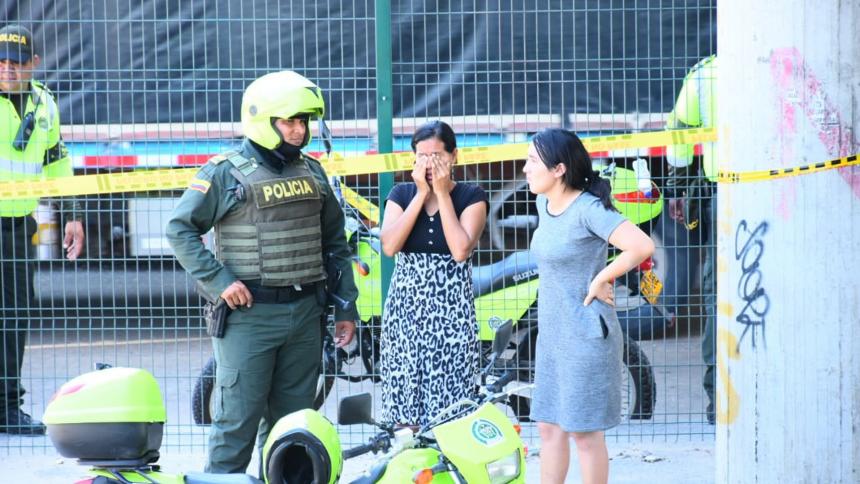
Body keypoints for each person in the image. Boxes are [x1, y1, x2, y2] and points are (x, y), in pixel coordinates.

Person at [165, 70, 358, 474]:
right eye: (289, 120)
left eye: (304, 120)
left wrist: (345, 309)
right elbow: (180, 229)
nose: (299, 129)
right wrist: (219, 282)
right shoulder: (225, 172)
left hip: (305, 315)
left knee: (294, 432)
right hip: (250, 319)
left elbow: (335, 246)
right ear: (263, 120)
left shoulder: (313, 172)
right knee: (235, 424)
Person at [524, 128, 654, 484]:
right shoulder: (544, 204)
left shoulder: (588, 209)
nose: (525, 168)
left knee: (584, 433)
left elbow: (641, 246)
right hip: (552, 335)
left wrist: (601, 278)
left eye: (533, 161)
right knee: (549, 427)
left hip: (586, 336)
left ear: (559, 169)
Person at [0, 24, 84, 435]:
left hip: (17, 225)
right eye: (1, 62)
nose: (8, 70)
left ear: (34, 63)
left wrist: (70, 212)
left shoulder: (45, 104)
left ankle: (5, 407)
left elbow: (56, 162)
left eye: (16, 63)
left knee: (15, 314)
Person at [378, 120, 488, 428]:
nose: (429, 163)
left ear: (454, 156)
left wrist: (440, 193)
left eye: (437, 155)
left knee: (451, 407)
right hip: (405, 313)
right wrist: (420, 195)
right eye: (422, 156)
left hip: (451, 315)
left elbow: (460, 250)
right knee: (404, 408)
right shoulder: (401, 194)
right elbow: (390, 245)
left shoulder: (471, 196)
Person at [665, 54, 717, 424]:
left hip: (727, 194)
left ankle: (720, 396)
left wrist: (679, 189)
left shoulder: (706, 74)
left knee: (721, 292)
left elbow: (680, 136)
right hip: (789, 192)